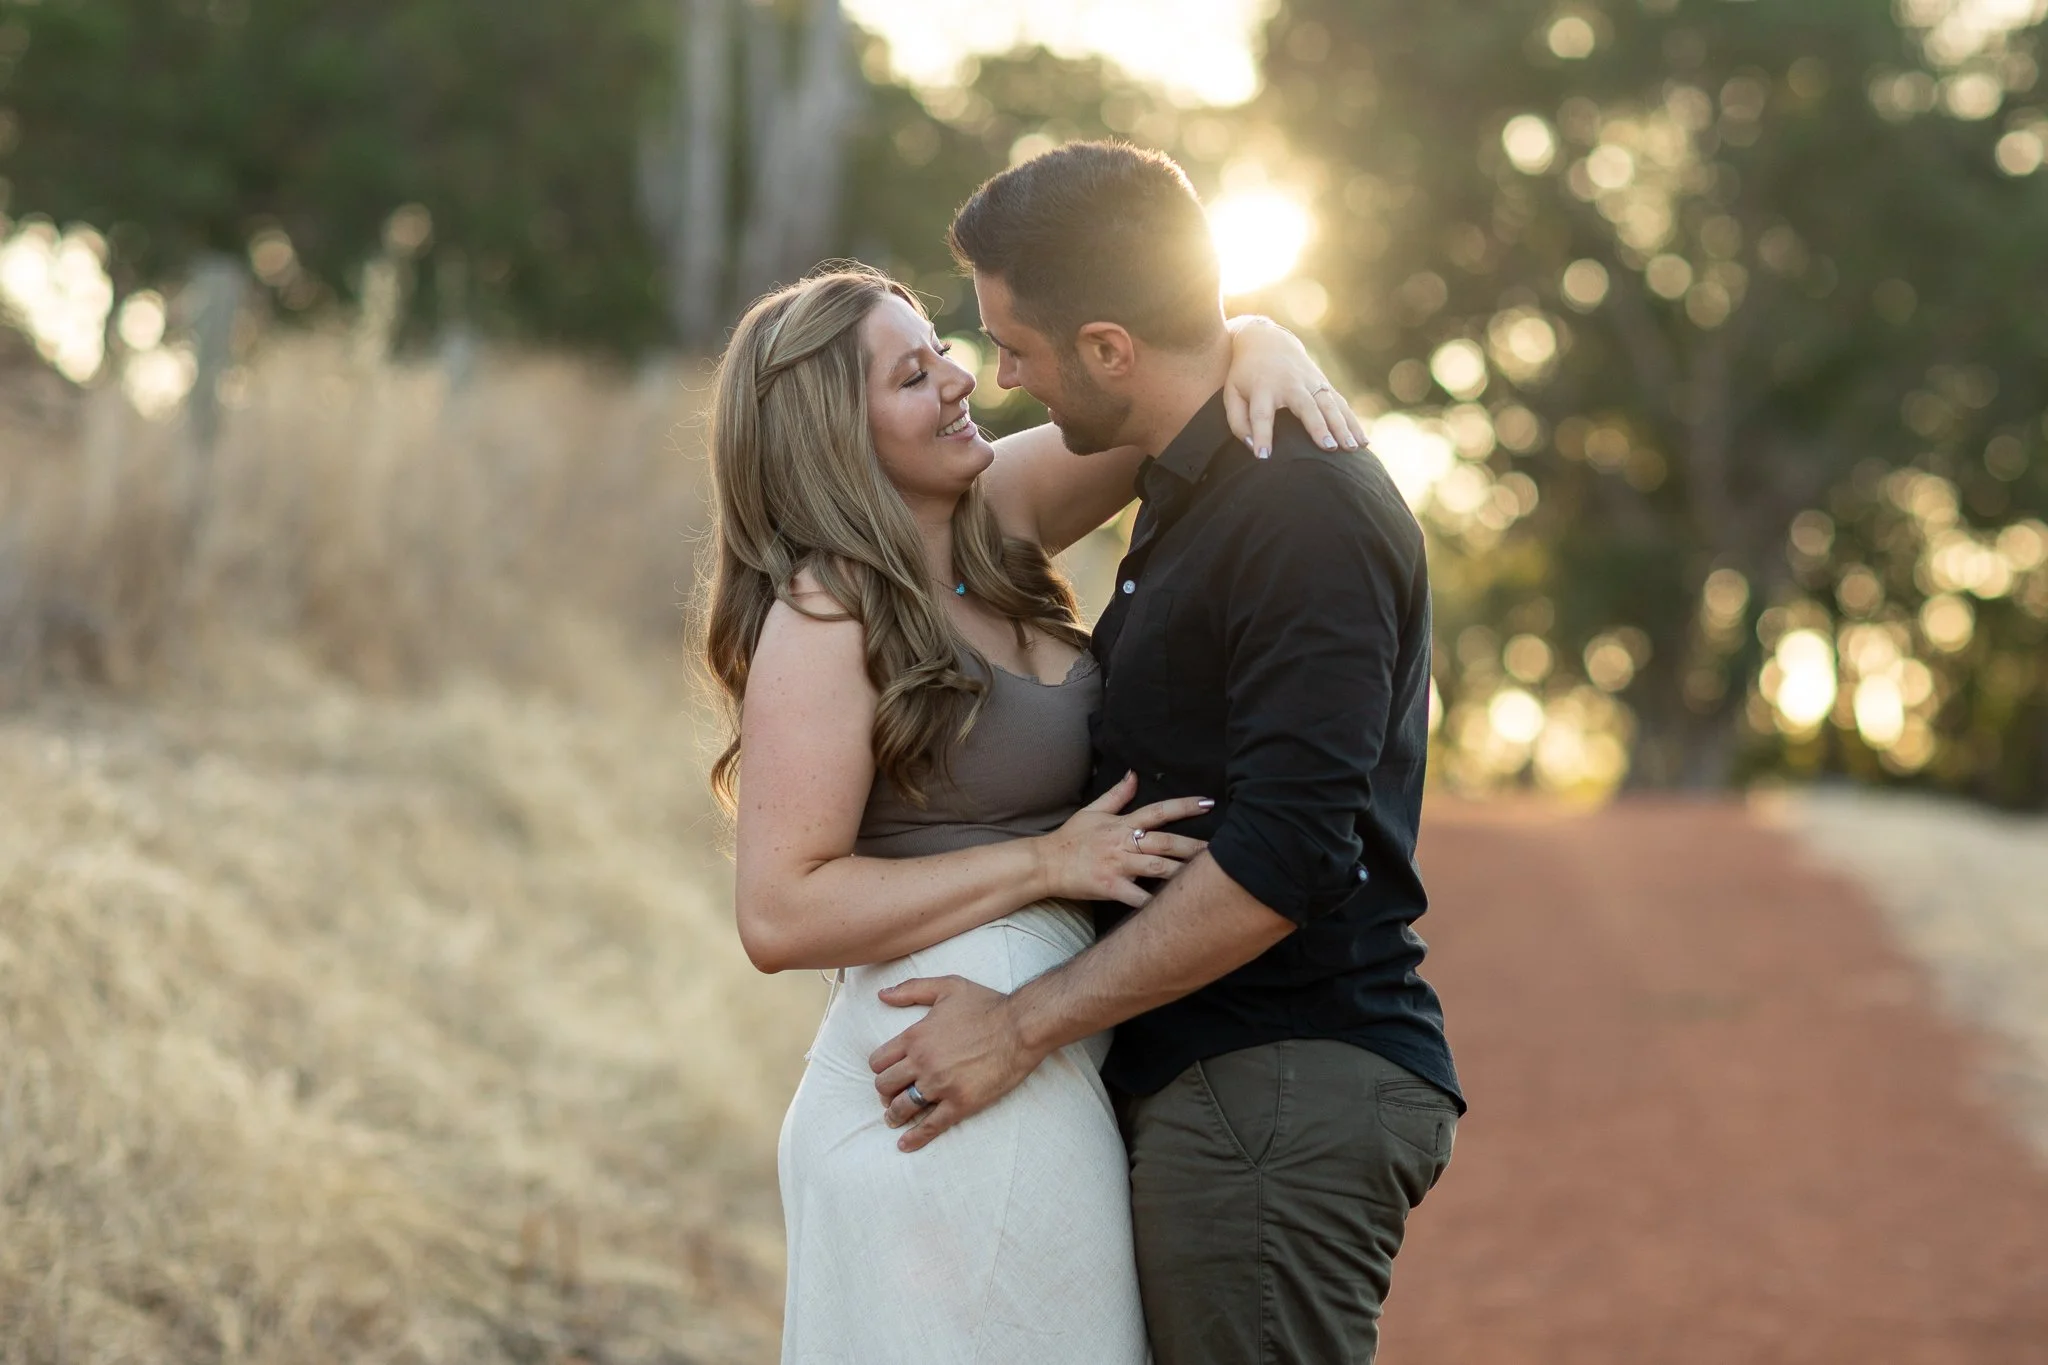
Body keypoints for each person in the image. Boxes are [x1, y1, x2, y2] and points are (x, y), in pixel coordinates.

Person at [866, 141, 1465, 1364]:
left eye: (1016, 350)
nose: (1002, 380)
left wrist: (1022, 1025)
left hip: (1277, 1082)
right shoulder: (1201, 479)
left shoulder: (1300, 510)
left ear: (1107, 349)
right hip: (1221, 1080)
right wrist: (1251, 330)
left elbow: (1287, 855)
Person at [701, 260, 1363, 1362]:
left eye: (940, 349)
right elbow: (779, 912)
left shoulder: (989, 516)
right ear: (833, 435)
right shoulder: (825, 611)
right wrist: (1045, 865)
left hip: (1031, 1059)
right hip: (934, 1081)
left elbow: (1164, 400)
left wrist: (1256, 336)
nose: (960, 379)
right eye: (913, 375)